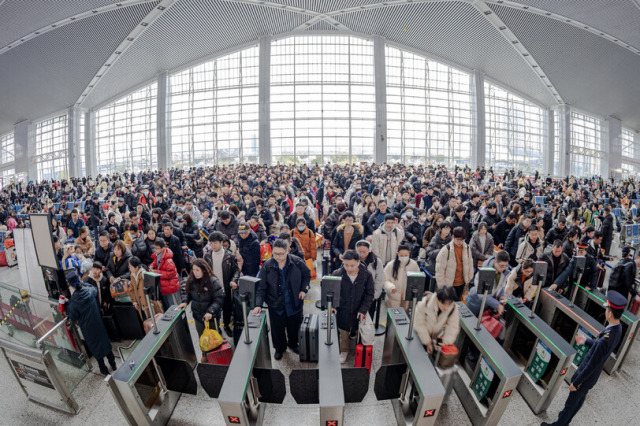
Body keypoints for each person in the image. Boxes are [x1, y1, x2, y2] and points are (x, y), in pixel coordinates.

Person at [542, 291, 624, 426]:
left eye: (607, 309)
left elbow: (592, 363)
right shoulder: (617, 329)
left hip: (585, 377)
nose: (606, 312)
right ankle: (566, 422)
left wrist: (577, 382)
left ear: (609, 314)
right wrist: (586, 341)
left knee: (571, 404)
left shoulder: (607, 337)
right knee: (578, 402)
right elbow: (601, 348)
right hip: (591, 378)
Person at [253, 239, 310, 360]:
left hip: (294, 302)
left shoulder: (297, 262)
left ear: (287, 251)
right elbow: (261, 287)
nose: (278, 257)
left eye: (281, 254)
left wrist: (304, 289)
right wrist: (258, 304)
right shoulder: (267, 266)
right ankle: (279, 348)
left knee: (294, 326)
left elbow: (307, 275)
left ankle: (293, 344)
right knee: (277, 329)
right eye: (275, 254)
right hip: (275, 303)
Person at [65, 271, 116, 376]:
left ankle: (103, 368)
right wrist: (83, 283)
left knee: (95, 347)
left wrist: (66, 304)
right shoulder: (90, 291)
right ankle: (113, 363)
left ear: (70, 284)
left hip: (87, 328)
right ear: (79, 279)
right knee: (104, 342)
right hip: (98, 323)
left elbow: (72, 316)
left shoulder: (74, 302)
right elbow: (94, 289)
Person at [331, 250, 375, 364]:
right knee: (343, 331)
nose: (349, 268)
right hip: (343, 309)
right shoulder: (337, 274)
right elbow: (331, 292)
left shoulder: (366, 275)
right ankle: (344, 351)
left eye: (352, 265)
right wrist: (333, 305)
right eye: (346, 265)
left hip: (358, 308)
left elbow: (370, 294)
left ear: (358, 262)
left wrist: (363, 309)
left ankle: (355, 342)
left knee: (357, 329)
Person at [204, 231, 241, 337]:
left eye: (215, 243)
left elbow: (236, 270)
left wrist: (234, 280)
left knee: (227, 309)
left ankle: (226, 325)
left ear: (221, 242)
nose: (213, 246)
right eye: (211, 243)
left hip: (226, 288)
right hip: (213, 289)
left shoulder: (229, 255)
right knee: (214, 310)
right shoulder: (207, 256)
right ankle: (217, 327)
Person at [178, 259, 224, 337]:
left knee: (213, 340)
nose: (195, 272)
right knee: (202, 338)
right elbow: (187, 292)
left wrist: (210, 311)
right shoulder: (192, 280)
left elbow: (219, 299)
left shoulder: (213, 282)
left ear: (204, 270)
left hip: (211, 318)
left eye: (197, 270)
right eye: (193, 270)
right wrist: (185, 301)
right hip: (198, 316)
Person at [413, 286, 460, 354]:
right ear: (437, 299)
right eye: (443, 304)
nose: (446, 307)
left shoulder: (453, 308)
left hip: (434, 337)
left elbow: (453, 326)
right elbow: (419, 324)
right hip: (419, 335)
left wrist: (445, 341)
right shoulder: (424, 303)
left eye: (449, 304)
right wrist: (427, 342)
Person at [465, 251, 511, 317]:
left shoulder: (505, 272)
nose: (503, 268)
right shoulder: (485, 271)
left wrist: (501, 296)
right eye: (501, 266)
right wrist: (497, 305)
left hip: (488, 304)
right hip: (475, 303)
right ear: (495, 262)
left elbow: (502, 286)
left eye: (506, 266)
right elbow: (482, 294)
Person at [435, 226, 474, 301]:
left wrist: (468, 280)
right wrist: (443, 287)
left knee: (457, 306)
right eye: (458, 240)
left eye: (462, 240)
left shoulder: (467, 248)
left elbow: (470, 264)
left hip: (462, 284)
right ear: (453, 237)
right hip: (449, 285)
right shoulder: (446, 250)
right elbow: (439, 271)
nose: (460, 242)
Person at [382, 245, 421, 310]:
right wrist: (391, 287)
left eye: (406, 255)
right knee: (393, 315)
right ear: (397, 254)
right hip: (393, 296)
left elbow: (418, 278)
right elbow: (385, 279)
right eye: (401, 255)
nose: (403, 257)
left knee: (405, 315)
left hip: (407, 296)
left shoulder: (414, 264)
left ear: (409, 253)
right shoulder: (391, 265)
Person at [355, 240, 385, 319]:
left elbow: (379, 279)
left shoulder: (376, 262)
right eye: (359, 252)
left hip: (370, 296)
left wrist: (375, 295)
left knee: (368, 318)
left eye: (364, 252)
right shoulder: (353, 260)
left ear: (369, 250)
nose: (361, 254)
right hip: (355, 295)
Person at [127, 256, 163, 320]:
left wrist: (151, 302)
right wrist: (134, 302)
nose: (129, 268)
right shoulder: (132, 275)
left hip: (149, 304)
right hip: (140, 305)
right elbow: (131, 290)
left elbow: (152, 290)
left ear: (136, 267)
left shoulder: (144, 274)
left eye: (130, 266)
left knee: (156, 321)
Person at [150, 238, 180, 310]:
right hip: (163, 287)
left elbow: (170, 274)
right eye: (155, 248)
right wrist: (152, 266)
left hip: (170, 287)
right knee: (168, 308)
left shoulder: (168, 260)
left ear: (163, 248)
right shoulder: (158, 256)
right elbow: (156, 264)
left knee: (174, 308)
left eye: (157, 248)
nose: (155, 250)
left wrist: (155, 272)